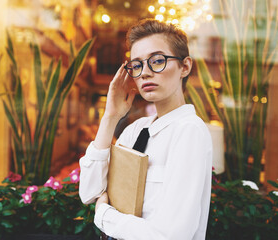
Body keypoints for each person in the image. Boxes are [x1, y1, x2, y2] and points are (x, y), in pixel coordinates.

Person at [79, 19, 213, 240]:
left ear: (185, 67)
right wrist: (110, 116)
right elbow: (89, 192)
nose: (145, 73)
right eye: (137, 65)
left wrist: (104, 215)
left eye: (157, 61)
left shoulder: (189, 132)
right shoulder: (137, 129)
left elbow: (172, 236)